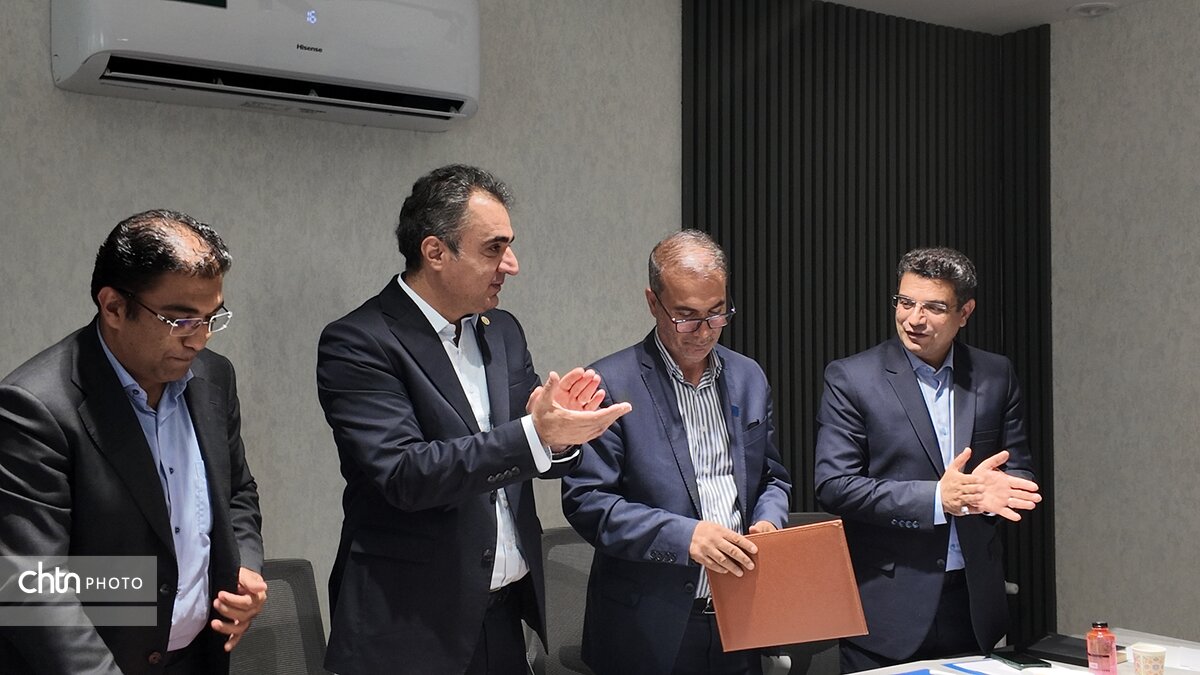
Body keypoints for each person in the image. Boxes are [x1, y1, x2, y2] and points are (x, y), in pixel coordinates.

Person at [317, 164, 631, 675]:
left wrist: (560, 434)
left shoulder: (501, 330)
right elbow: (405, 474)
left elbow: (529, 451)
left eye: (509, 246)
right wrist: (534, 435)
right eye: (493, 248)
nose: (512, 265)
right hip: (408, 625)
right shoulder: (359, 341)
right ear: (435, 252)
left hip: (504, 615)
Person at [0, 209, 267, 674]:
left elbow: (237, 493)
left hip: (197, 657)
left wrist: (244, 565)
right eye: (180, 320)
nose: (199, 340)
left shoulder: (213, 377)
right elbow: (32, 583)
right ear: (113, 307)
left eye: (212, 318)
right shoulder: (35, 407)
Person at [561, 230, 792, 675]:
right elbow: (588, 503)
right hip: (648, 625)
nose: (703, 332)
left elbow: (772, 477)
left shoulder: (748, 376)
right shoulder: (609, 384)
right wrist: (684, 537)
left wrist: (769, 521)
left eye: (717, 313)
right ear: (653, 302)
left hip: (741, 616)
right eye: (686, 316)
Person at [814, 247, 1042, 672]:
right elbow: (834, 486)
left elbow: (1019, 471)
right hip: (887, 611)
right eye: (905, 302)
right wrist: (939, 499)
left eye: (934, 307)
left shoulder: (995, 374)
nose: (914, 319)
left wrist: (997, 491)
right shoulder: (852, 378)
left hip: (973, 605)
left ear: (964, 312)